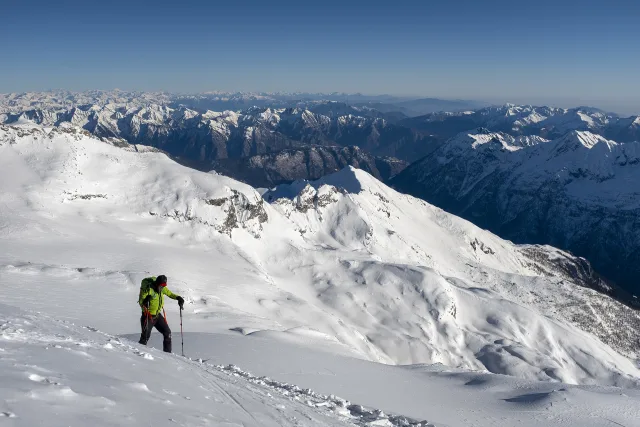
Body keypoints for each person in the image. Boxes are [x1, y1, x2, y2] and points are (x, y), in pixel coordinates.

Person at [138, 275, 184, 353]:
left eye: (164, 286)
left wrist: (178, 298)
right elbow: (141, 302)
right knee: (145, 337)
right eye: (161, 286)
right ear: (157, 283)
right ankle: (138, 354)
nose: (162, 288)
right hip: (148, 316)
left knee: (167, 332)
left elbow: (170, 294)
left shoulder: (163, 289)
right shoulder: (149, 290)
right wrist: (145, 301)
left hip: (157, 316)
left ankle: (168, 355)